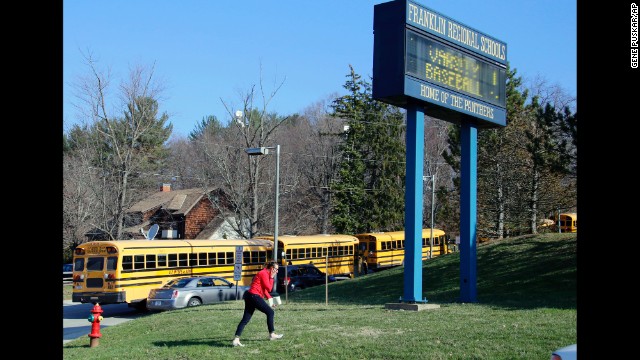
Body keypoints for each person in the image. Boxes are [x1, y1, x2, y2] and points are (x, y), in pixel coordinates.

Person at [232, 261, 283, 347]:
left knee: (246, 319)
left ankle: (236, 339)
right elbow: (269, 288)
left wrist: (270, 300)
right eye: (276, 269)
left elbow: (264, 290)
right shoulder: (264, 273)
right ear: (272, 268)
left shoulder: (264, 273)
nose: (277, 271)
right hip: (254, 296)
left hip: (250, 296)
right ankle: (272, 334)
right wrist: (272, 277)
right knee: (270, 312)